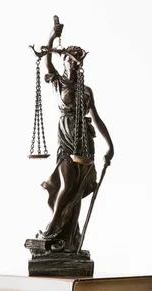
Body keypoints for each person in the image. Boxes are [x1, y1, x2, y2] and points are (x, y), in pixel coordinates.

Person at [37, 23, 114, 252]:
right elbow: (46, 62)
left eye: (77, 62)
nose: (73, 64)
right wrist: (51, 38)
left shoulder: (86, 90)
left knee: (78, 192)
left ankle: (70, 240)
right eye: (70, 60)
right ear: (65, 62)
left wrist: (110, 145)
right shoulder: (59, 83)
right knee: (67, 184)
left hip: (84, 144)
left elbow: (97, 118)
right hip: (66, 138)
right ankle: (52, 229)